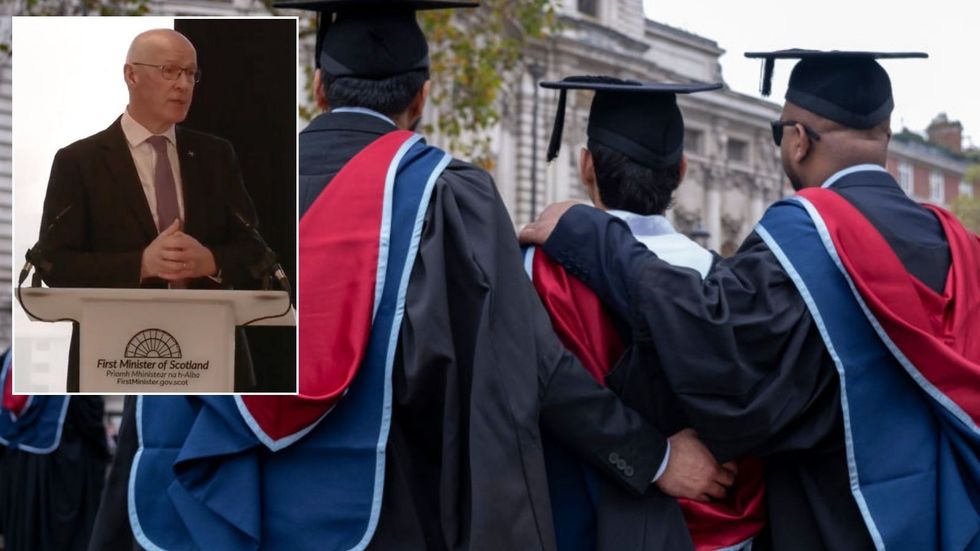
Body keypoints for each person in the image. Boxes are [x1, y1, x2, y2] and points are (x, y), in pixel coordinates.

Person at [89, 3, 732, 550]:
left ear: (317, 88)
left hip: (197, 510)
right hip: (377, 518)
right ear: (420, 98)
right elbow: (529, 364)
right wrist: (654, 456)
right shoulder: (448, 195)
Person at [520, 50, 980, 550]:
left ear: (798, 141)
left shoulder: (810, 241)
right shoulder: (960, 246)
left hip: (840, 521)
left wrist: (595, 236)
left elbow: (719, 346)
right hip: (949, 512)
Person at [524, 76, 764, 551]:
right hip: (708, 531)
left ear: (586, 165)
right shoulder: (725, 282)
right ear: (681, 170)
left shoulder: (533, 268)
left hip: (570, 521)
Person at [35, 28, 265, 392]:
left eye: (191, 74)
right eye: (170, 71)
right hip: (118, 357)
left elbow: (257, 252)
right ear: (131, 75)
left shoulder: (216, 156)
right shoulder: (79, 162)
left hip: (211, 354)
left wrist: (211, 261)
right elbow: (54, 264)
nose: (183, 85)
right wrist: (140, 264)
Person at [0, 349, 110, 551]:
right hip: (60, 469)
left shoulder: (11, 355)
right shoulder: (71, 360)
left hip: (15, 463)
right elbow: (90, 420)